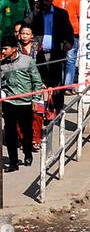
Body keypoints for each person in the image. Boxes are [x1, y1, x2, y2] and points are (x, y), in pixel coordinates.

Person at [1, 33, 44, 170]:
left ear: (14, 49)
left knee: (26, 132)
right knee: (10, 134)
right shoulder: (2, 64)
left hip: (25, 103)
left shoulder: (27, 61)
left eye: (5, 48)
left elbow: (37, 81)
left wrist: (35, 100)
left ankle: (27, 154)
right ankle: (13, 163)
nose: (2, 51)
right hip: (9, 104)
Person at [31, 0, 73, 109]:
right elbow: (27, 25)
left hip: (56, 53)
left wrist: (68, 42)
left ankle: (57, 110)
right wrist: (35, 11)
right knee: (40, 83)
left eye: (48, 0)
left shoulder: (61, 14)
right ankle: (41, 111)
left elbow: (68, 31)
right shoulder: (37, 14)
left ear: (52, 0)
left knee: (57, 84)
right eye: (43, 1)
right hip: (40, 54)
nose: (45, 3)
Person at [53, 0, 81, 86]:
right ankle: (68, 85)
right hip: (73, 32)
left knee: (59, 59)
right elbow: (80, 16)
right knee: (70, 60)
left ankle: (59, 84)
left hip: (57, 33)